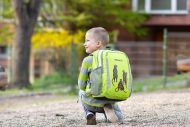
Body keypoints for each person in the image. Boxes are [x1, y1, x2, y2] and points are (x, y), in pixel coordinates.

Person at [78, 27, 124, 125]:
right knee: (119, 116)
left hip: (91, 101)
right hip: (110, 99)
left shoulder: (88, 60)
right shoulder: (113, 58)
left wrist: (84, 88)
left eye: (87, 40)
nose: (84, 43)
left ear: (98, 43)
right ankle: (109, 112)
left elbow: (81, 84)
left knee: (81, 91)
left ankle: (90, 113)